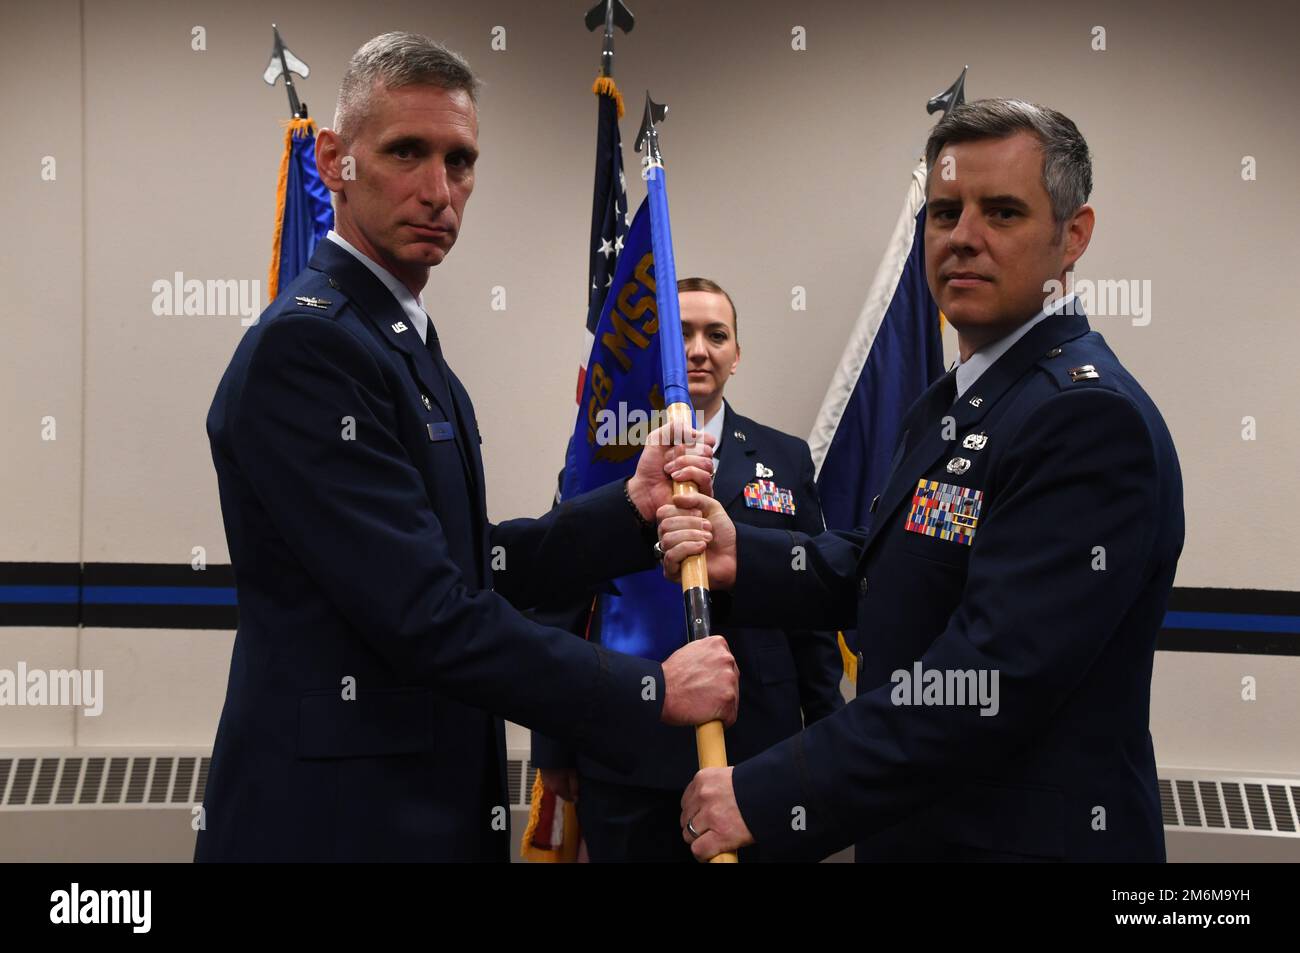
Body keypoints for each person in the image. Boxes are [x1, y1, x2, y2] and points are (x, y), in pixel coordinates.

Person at [196, 32, 738, 863]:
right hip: (338, 824)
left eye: (460, 161)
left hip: (416, 807)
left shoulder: (399, 337)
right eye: (407, 152)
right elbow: (428, 615)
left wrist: (629, 510)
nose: (438, 190)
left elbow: (465, 565)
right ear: (336, 160)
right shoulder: (309, 351)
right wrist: (650, 687)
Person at [659, 99, 1184, 862]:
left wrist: (769, 790)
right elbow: (891, 570)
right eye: (944, 213)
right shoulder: (954, 399)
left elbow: (980, 685)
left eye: (1001, 211)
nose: (962, 237)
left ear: (1073, 236)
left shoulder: (1086, 419)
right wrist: (748, 554)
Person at [531, 278, 844, 862]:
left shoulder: (784, 457)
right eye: (682, 334)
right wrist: (553, 745)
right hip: (628, 748)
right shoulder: (606, 457)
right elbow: (561, 599)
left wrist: (826, 728)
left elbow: (811, 608)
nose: (699, 349)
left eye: (716, 334)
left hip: (757, 750)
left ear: (736, 354)